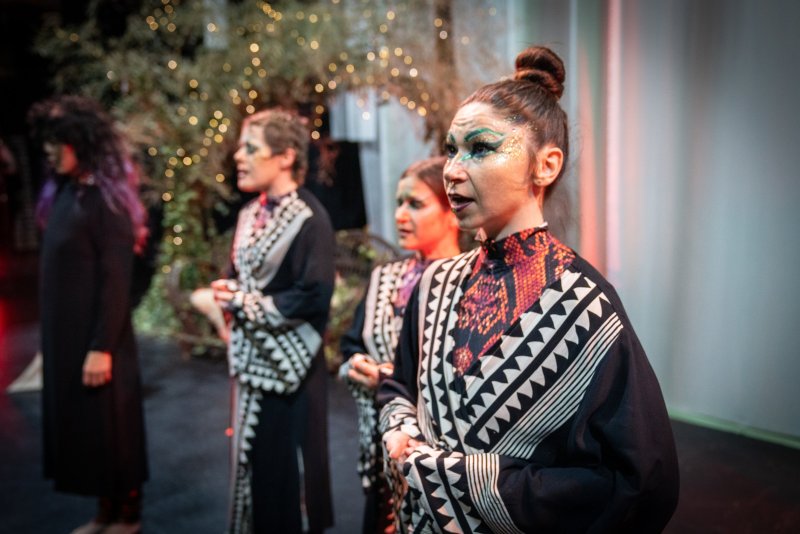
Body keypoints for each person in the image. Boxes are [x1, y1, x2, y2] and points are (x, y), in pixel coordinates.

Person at [378, 46, 680, 533]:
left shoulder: (585, 307)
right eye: (452, 149)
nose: (453, 169)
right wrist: (400, 429)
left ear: (546, 165)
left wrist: (474, 479)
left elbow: (639, 481)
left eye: (480, 148)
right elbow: (398, 386)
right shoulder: (435, 283)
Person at [211, 108, 336, 533]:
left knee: (289, 470)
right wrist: (228, 289)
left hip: (291, 373)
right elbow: (239, 272)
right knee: (256, 466)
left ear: (285, 157)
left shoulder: (309, 218)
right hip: (249, 365)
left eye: (250, 148)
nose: (238, 158)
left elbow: (313, 295)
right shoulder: (249, 214)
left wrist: (243, 302)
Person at [29, 95, 149, 534]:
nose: (50, 151)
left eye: (59, 142)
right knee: (91, 429)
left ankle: (128, 515)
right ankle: (105, 511)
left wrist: (101, 346)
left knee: (112, 428)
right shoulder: (66, 193)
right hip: (70, 335)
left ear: (82, 143)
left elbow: (117, 280)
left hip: (100, 337)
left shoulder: (106, 202)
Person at [339, 156, 461, 533]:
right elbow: (350, 345)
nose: (400, 216)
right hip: (381, 448)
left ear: (451, 212)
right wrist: (356, 366)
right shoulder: (385, 277)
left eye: (416, 204)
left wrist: (390, 379)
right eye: (399, 203)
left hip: (438, 456)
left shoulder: (467, 283)